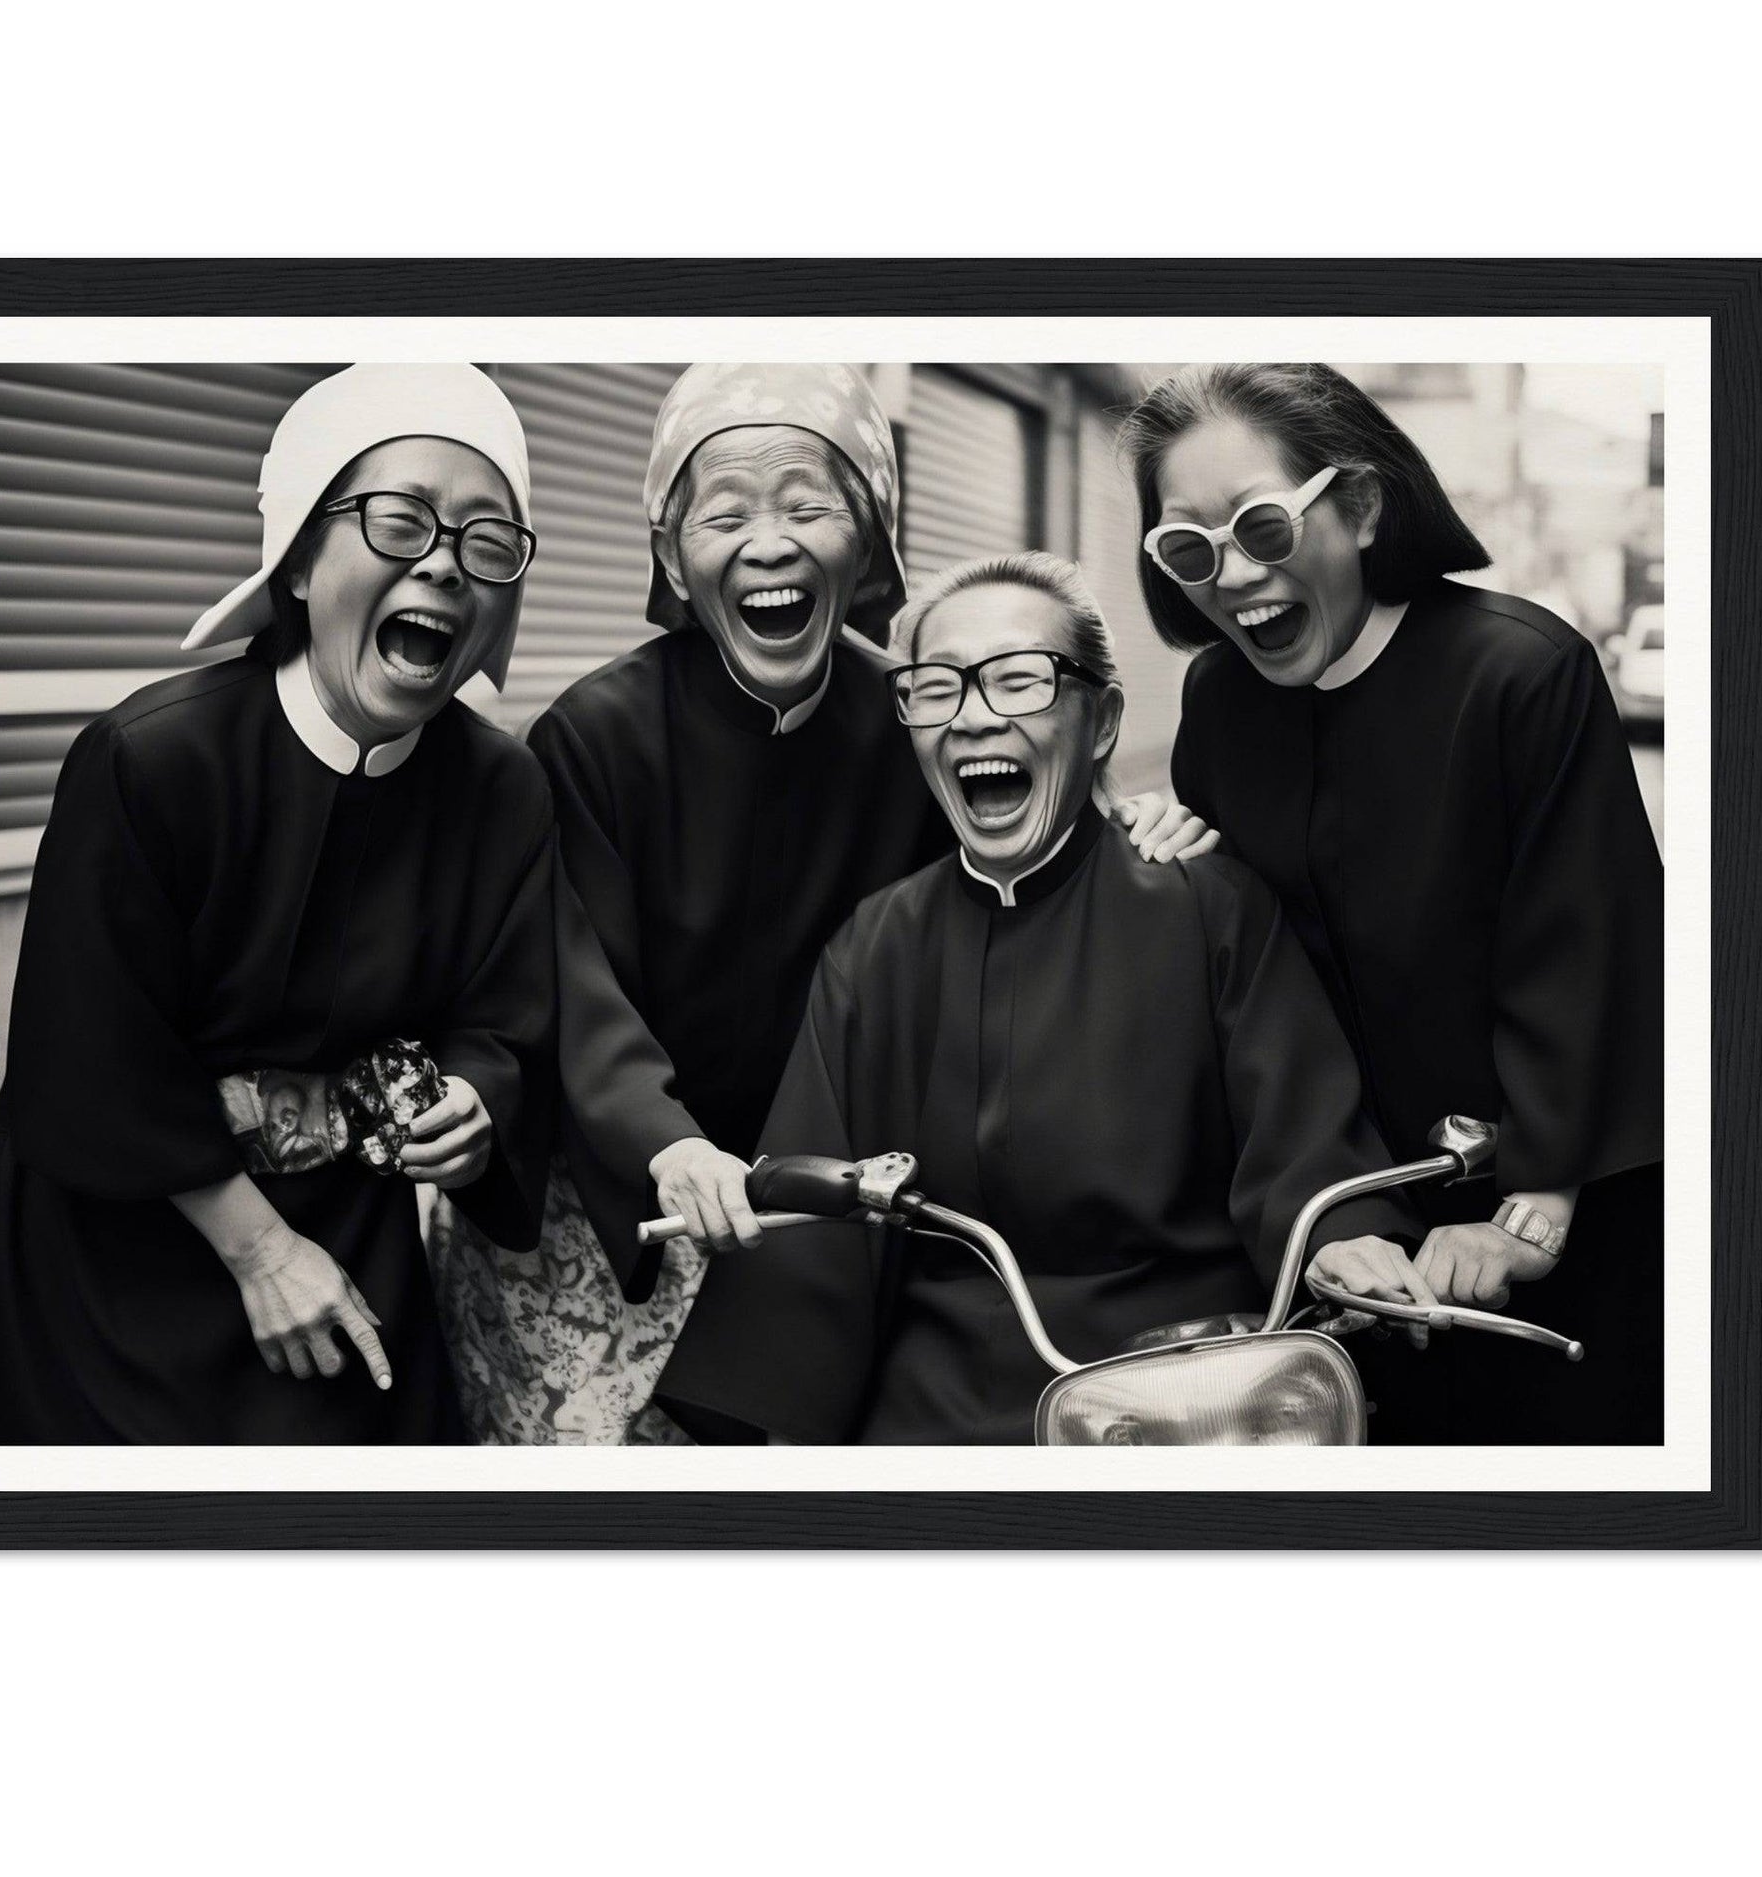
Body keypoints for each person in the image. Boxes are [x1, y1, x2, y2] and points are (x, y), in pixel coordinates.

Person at [430, 363, 1208, 1445]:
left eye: (808, 503)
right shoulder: (594, 734)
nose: (769, 542)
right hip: (632, 1196)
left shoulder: (914, 710)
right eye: (725, 512)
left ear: (872, 537)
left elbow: (1030, 833)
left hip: (835, 1194)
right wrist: (666, 1141)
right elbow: (572, 980)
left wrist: (1128, 823)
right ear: (669, 552)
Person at [654, 554, 1425, 1445]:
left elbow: (1304, 1146)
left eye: (1019, 682)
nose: (976, 717)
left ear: (1100, 722)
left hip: (1183, 1391)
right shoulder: (877, 947)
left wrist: (1342, 1239)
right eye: (936, 689)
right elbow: (813, 1219)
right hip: (934, 1410)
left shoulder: (1208, 907)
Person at [0, 364, 556, 1444]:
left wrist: (477, 1101)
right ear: (300, 559)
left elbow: (508, 1012)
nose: (443, 561)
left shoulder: (501, 789)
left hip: (351, 1239)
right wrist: (257, 1249)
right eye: (401, 521)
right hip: (125, 1257)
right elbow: (90, 1050)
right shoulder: (149, 759)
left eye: (487, 541)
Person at [1120, 362, 1665, 1445]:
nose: (1229, 577)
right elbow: (1245, 955)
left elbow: (1587, 951)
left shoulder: (1518, 672)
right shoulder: (1218, 698)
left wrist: (1534, 1208)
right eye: (1188, 547)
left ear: (1359, 506)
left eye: (1260, 528)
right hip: (1334, 1223)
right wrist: (1179, 846)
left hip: (1551, 1211)